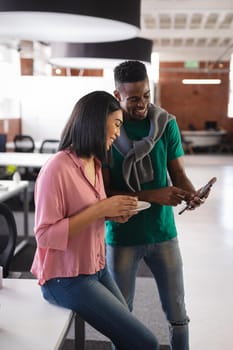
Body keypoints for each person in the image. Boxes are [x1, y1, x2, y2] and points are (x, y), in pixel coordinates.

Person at [30, 90, 160, 350]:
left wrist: (112, 214)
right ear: (96, 122)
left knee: (129, 336)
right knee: (147, 342)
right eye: (116, 124)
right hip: (64, 279)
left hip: (96, 269)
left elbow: (90, 215)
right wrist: (101, 209)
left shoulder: (96, 164)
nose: (117, 133)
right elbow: (44, 235)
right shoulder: (57, 168)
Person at [103, 61, 209, 350]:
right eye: (133, 98)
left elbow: (178, 176)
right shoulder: (108, 129)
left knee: (178, 316)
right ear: (117, 96)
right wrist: (153, 195)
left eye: (147, 95)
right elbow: (105, 192)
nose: (142, 104)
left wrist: (191, 194)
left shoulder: (166, 123)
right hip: (122, 235)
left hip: (163, 233)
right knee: (121, 317)